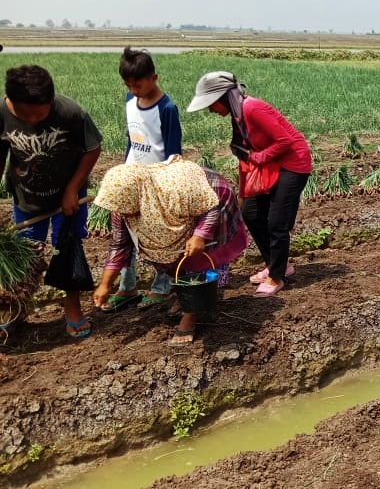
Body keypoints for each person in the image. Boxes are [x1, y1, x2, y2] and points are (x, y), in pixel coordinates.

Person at [92, 158, 249, 346]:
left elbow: (210, 207)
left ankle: (190, 315)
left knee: (195, 258)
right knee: (172, 254)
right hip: (187, 204)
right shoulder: (122, 203)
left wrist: (200, 235)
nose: (126, 214)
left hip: (211, 197)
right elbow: (120, 245)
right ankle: (185, 295)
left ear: (138, 194)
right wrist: (105, 285)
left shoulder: (173, 190)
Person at [187, 71, 312, 297]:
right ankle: (277, 265)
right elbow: (245, 155)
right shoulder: (238, 117)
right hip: (270, 165)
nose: (211, 110)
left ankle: (276, 276)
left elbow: (286, 140)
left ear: (223, 97)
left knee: (277, 223)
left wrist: (260, 158)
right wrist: (243, 191)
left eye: (211, 104)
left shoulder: (251, 108)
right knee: (251, 214)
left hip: (293, 164)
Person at [0, 65, 102, 338]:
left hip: (67, 197)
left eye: (40, 113)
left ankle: (72, 308)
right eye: (26, 114)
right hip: (27, 199)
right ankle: (16, 309)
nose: (33, 120)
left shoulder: (69, 112)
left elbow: (93, 148)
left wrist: (72, 188)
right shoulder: (1, 114)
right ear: (10, 102)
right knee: (23, 256)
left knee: (66, 250)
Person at [100, 47, 185, 313]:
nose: (133, 89)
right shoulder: (129, 100)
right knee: (123, 234)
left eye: (137, 84)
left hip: (157, 183)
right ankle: (127, 286)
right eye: (128, 84)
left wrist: (168, 184)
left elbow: (173, 151)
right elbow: (132, 140)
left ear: (154, 77)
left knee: (157, 238)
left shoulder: (167, 108)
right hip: (131, 180)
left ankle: (162, 286)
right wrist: (125, 169)